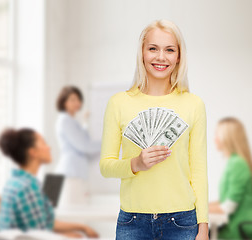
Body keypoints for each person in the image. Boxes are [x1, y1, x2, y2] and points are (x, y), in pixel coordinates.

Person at [100, 19, 209, 240]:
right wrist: (135, 163)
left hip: (183, 223)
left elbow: (198, 170)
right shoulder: (118, 103)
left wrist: (203, 227)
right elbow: (105, 166)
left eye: (170, 50)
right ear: (142, 53)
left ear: (178, 56)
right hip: (132, 222)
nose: (161, 57)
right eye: (153, 48)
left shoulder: (193, 104)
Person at [0, 128, 99, 238]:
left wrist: (81, 227)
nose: (49, 147)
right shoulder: (28, 187)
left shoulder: (16, 182)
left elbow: (46, 223)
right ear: (33, 152)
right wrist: (71, 236)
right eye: (43, 143)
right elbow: (39, 235)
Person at [55, 86, 101, 206]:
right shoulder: (65, 120)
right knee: (73, 217)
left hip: (73, 175)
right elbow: (84, 145)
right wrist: (108, 143)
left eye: (78, 99)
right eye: (72, 99)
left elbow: (83, 142)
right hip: (70, 175)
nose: (77, 103)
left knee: (76, 215)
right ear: (64, 101)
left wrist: (85, 123)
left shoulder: (71, 121)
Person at [209, 117, 252, 239]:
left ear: (227, 138)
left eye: (217, 134)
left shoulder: (237, 164)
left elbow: (228, 207)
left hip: (239, 230)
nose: (215, 139)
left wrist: (198, 210)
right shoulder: (234, 162)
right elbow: (225, 200)